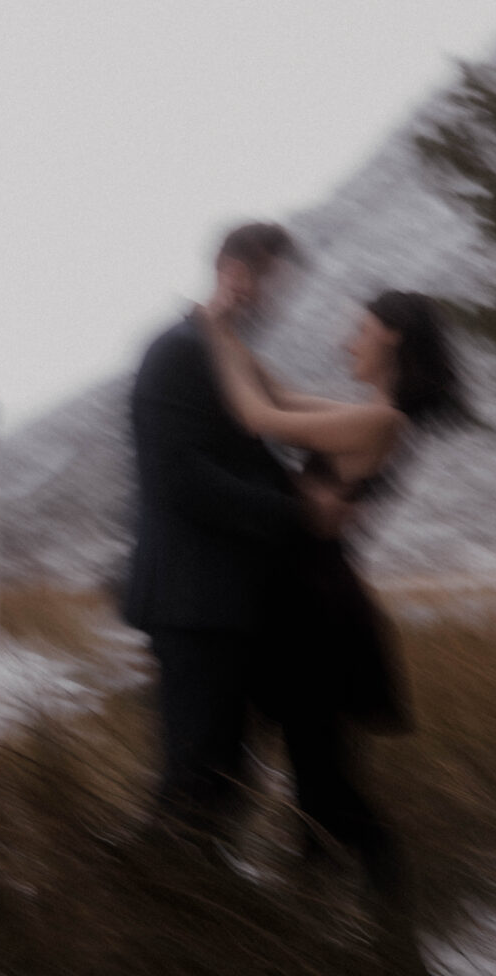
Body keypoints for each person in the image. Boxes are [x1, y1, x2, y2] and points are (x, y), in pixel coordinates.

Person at [203, 290, 464, 894]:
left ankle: (390, 925)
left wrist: (216, 337)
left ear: (392, 337)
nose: (349, 342)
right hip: (310, 604)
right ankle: (333, 905)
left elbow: (258, 418)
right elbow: (281, 397)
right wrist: (230, 333)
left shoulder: (378, 421)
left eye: (360, 330)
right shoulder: (373, 415)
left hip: (314, 616)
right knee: (318, 776)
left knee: (326, 784)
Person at [123, 221, 351, 841]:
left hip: (225, 606)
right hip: (194, 605)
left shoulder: (224, 356)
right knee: (195, 788)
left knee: (219, 784)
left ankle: (179, 907)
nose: (281, 302)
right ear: (235, 275)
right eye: (277, 284)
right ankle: (153, 913)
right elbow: (181, 478)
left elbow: (239, 457)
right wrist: (300, 511)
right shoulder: (179, 351)